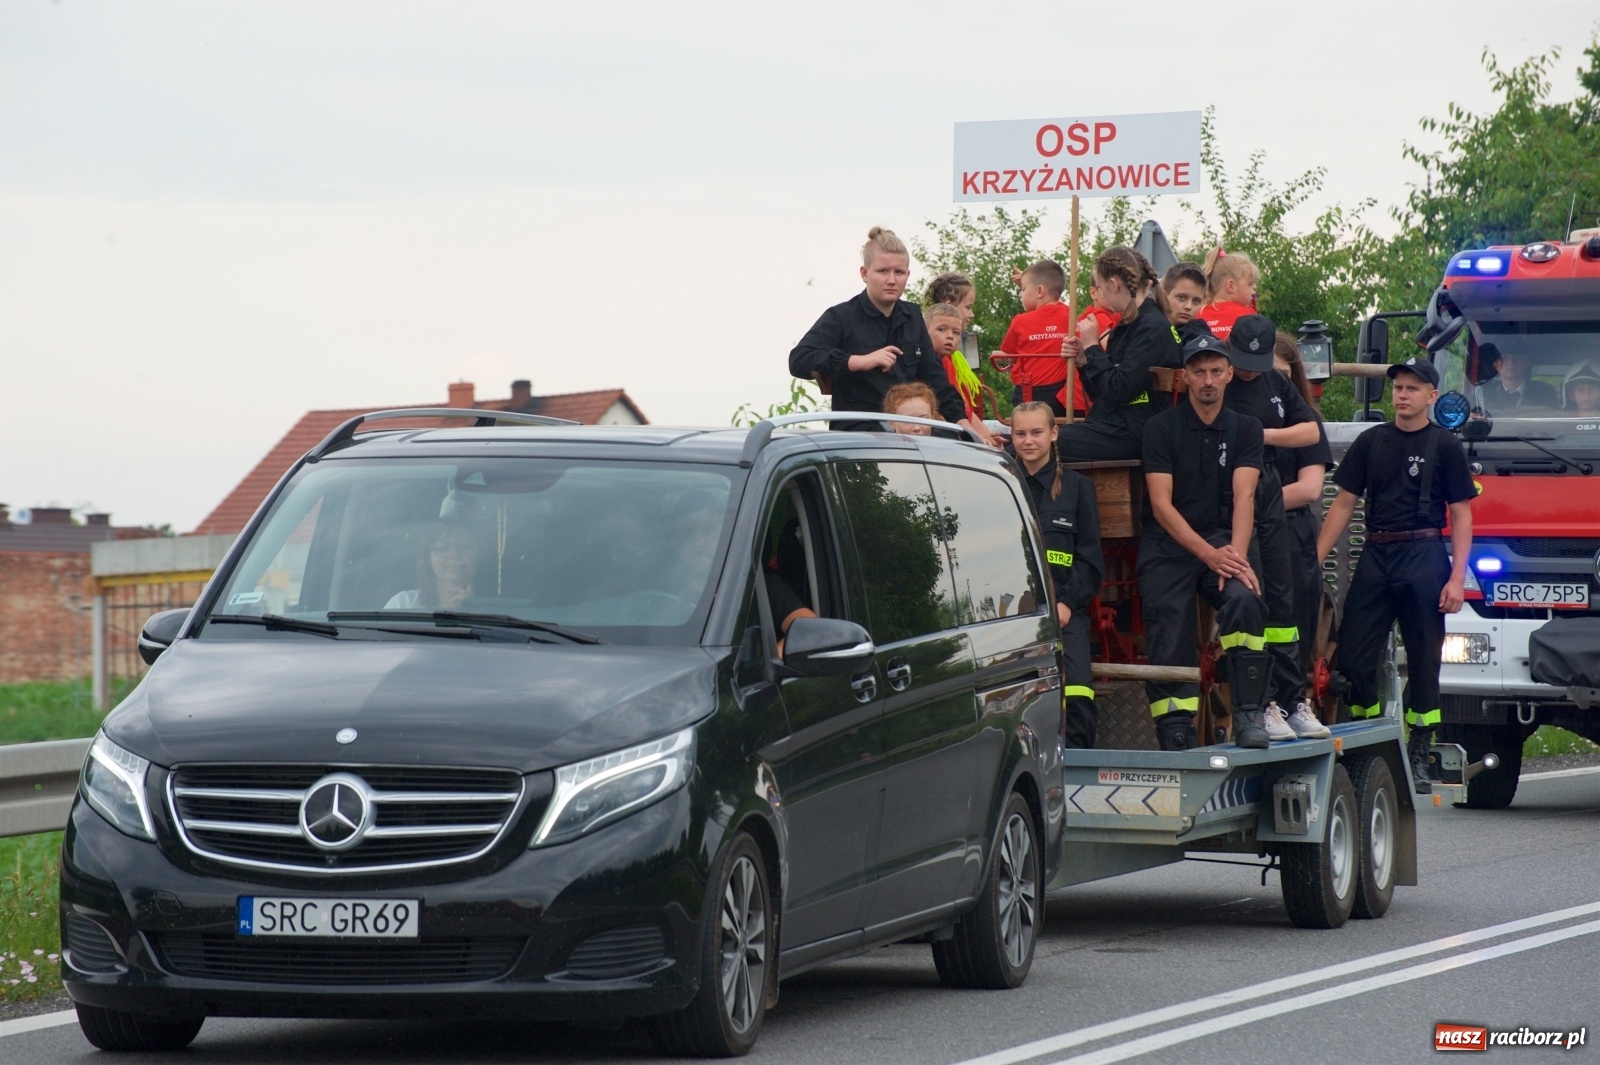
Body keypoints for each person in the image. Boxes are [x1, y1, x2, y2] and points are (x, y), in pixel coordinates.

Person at [1316, 357, 1476, 794]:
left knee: (1425, 659)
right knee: (1354, 655)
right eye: (1398, 388)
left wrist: (1456, 579)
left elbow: (1461, 516)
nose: (1402, 395)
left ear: (1431, 396)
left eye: (1411, 388)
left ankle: (1420, 750)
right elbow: (1344, 505)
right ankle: (1366, 745)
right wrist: (1314, 559)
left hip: (1424, 555)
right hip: (1377, 553)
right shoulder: (1371, 442)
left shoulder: (1445, 446)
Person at [1139, 334, 1271, 750]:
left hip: (1223, 539)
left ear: (1230, 374)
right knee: (1167, 622)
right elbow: (1161, 505)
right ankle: (1175, 730)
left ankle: (1250, 715)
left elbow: (1245, 495)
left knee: (1246, 599)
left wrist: (1236, 555)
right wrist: (1209, 555)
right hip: (1169, 545)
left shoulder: (1246, 428)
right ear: (1185, 377)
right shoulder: (1160, 428)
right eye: (1199, 371)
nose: (1208, 380)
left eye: (1216, 371)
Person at [1221, 314, 1327, 740]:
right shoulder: (1219, 383)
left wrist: (1259, 435)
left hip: (1273, 500)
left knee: (1286, 607)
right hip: (1233, 493)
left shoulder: (1278, 384)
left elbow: (1309, 431)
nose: (1248, 370)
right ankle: (1261, 703)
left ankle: (1290, 701)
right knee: (1254, 599)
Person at [791, 227, 993, 443]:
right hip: (860, 434)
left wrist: (963, 424)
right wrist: (857, 361)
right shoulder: (841, 317)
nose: (891, 280)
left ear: (908, 275)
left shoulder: (913, 317)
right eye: (883, 271)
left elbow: (936, 380)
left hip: (913, 432)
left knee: (973, 448)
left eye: (899, 272)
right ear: (864, 273)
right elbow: (798, 360)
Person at [1009, 401, 1103, 749]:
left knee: (1077, 692)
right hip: (1013, 615)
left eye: (1036, 432)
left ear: (1053, 433)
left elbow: (1091, 560)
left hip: (1065, 613)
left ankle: (1079, 769)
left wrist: (1065, 604)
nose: (1028, 441)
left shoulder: (1078, 489)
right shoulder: (1002, 486)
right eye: (1020, 433)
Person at [1055, 247, 1184, 462]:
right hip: (1116, 424)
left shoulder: (1151, 327)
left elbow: (1119, 390)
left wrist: (1092, 347)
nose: (1101, 293)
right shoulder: (1131, 324)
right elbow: (1102, 394)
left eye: (1100, 287)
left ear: (1114, 285)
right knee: (1028, 441)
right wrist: (1084, 361)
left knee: (1035, 445)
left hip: (1131, 431)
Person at [1273, 333, 1335, 702]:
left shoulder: (1308, 420)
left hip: (1290, 529)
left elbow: (1310, 489)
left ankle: (1291, 702)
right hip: (1245, 529)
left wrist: (1250, 502)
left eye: (1280, 376)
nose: (1272, 385)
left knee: (1293, 623)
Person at [994, 260, 1074, 417]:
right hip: (1062, 396)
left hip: (1028, 394)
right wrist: (1032, 281)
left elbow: (1010, 357)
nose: (1020, 294)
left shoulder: (1020, 321)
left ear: (1039, 291)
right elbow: (1053, 298)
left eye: (1023, 289)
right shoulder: (1070, 316)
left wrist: (998, 356)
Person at [387, 520, 479, 610]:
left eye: (464, 546)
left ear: (479, 556)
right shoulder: (403, 604)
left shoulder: (492, 608)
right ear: (427, 559)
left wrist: (473, 610)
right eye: (443, 548)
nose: (454, 555)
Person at [921, 299, 984, 424]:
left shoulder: (951, 364)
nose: (950, 336)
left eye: (956, 332)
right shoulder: (919, 363)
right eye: (941, 330)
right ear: (924, 332)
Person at [1197, 249, 1259, 341]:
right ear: (1230, 286)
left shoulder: (1197, 314)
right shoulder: (1248, 317)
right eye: (1250, 284)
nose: (1253, 292)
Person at [1477, 343, 1559, 412]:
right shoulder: (1484, 394)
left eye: (1517, 357)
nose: (1511, 362)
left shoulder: (1545, 392)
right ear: (1496, 365)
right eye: (1504, 358)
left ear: (1527, 363)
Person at [1162, 260, 1213, 346]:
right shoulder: (1148, 325)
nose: (1188, 306)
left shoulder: (1199, 336)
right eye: (1181, 298)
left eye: (1196, 301)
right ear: (1164, 294)